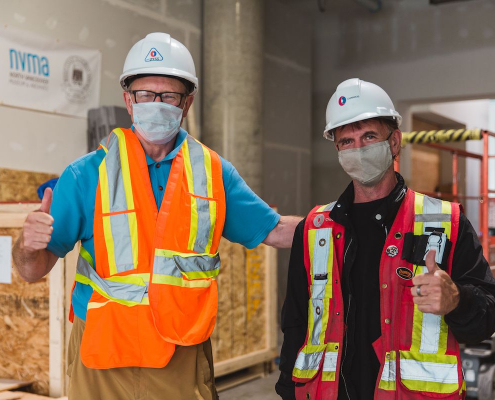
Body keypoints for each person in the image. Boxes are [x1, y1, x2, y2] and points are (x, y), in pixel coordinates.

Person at [12, 32, 301, 400]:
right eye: (146, 95)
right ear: (128, 101)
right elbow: (31, 269)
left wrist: (338, 223)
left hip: (179, 351)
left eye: (169, 96)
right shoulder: (87, 175)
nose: (157, 104)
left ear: (187, 103)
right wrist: (27, 243)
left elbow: (274, 230)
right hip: (103, 355)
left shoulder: (213, 173)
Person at [275, 78, 495, 400]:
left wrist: (457, 299)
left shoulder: (445, 221)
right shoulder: (314, 228)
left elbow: (487, 317)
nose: (358, 149)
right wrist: (288, 390)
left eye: (368, 136)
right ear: (337, 150)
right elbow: (296, 323)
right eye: (346, 141)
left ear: (394, 143)